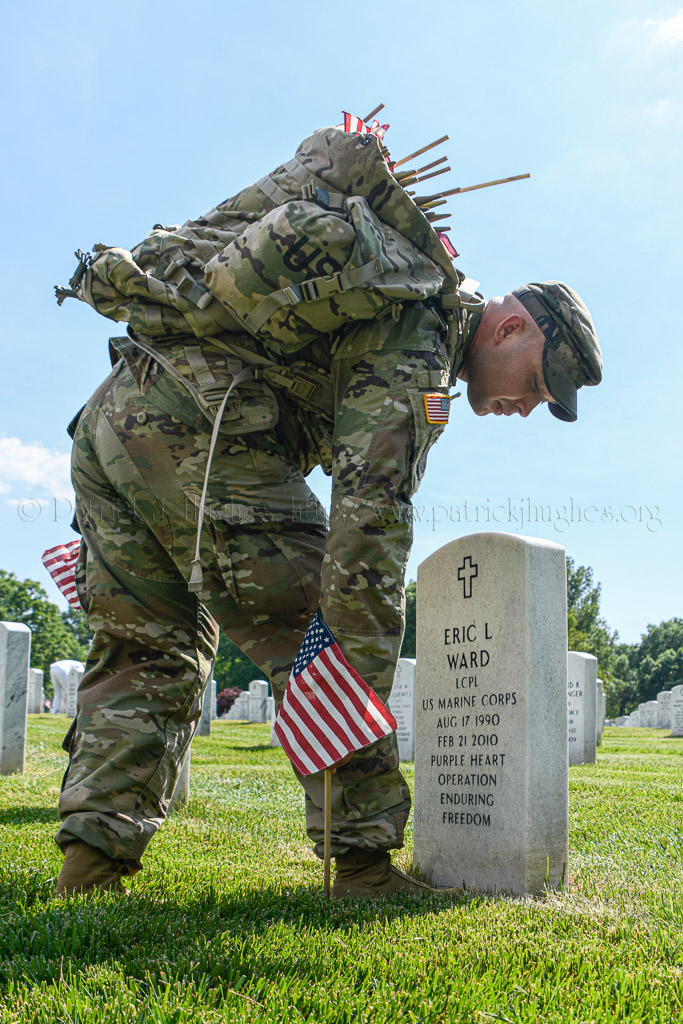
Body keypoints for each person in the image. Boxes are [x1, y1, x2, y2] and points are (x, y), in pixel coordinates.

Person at [52, 123, 602, 898]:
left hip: (118, 420)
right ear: (510, 327)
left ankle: (89, 869)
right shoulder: (420, 337)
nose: (525, 407)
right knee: (326, 626)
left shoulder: (401, 294)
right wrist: (360, 664)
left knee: (148, 648)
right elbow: (368, 524)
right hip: (204, 441)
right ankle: (365, 865)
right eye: (538, 384)